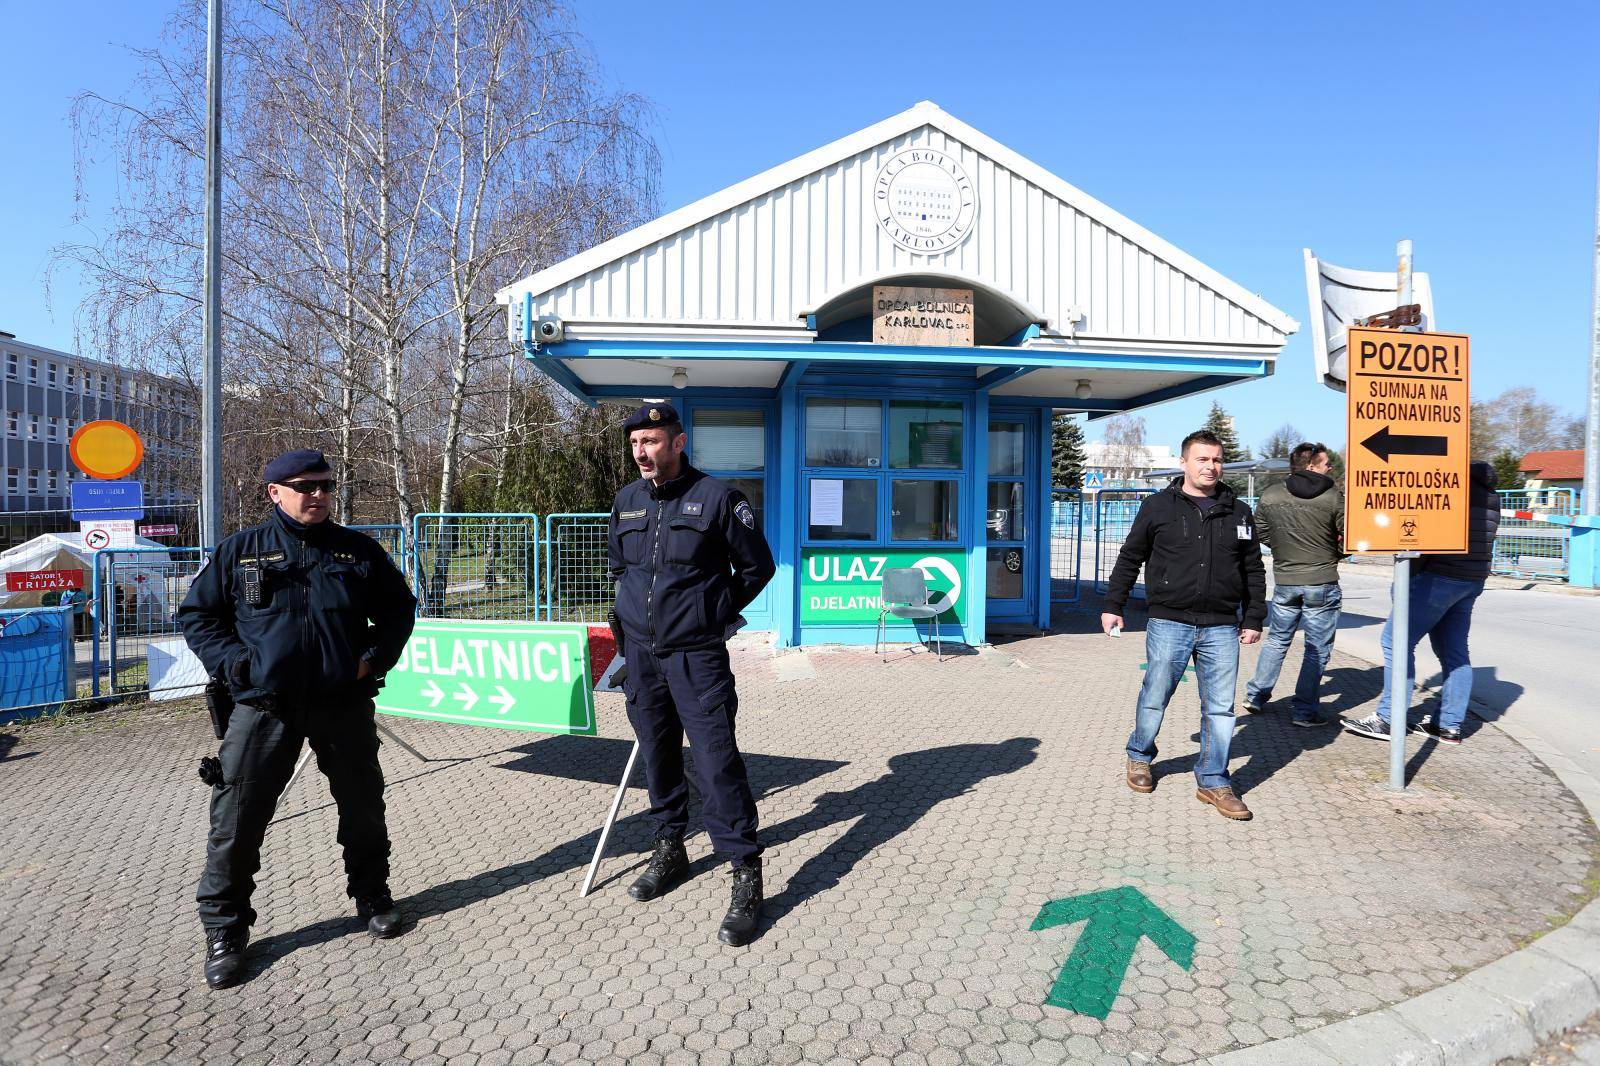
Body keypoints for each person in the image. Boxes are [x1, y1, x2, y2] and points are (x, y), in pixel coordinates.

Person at [178, 449, 418, 989]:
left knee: (362, 807)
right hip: (264, 708)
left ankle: (373, 895)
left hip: (343, 703)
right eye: (304, 485)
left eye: (324, 485)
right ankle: (226, 932)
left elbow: (400, 611)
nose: (316, 494)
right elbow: (197, 615)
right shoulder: (241, 552)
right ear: (274, 493)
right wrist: (235, 665)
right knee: (235, 820)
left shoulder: (357, 551)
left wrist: (372, 661)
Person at [607, 403, 775, 946]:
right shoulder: (627, 501)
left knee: (715, 763)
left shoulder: (720, 498)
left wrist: (715, 613)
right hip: (643, 658)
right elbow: (621, 572)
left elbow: (757, 567)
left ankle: (745, 873)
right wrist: (626, 642)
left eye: (652, 442)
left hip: (696, 657)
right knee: (657, 759)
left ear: (679, 443)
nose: (641, 453)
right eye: (636, 444)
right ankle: (670, 849)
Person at [1101, 430, 1266, 821]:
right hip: (1169, 621)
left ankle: (1213, 780)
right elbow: (1130, 557)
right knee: (1156, 693)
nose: (1210, 467)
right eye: (1202, 459)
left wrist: (1255, 614)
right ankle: (1139, 757)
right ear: (1184, 462)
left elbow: (1253, 569)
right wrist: (1113, 604)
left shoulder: (1238, 511)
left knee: (1222, 708)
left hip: (1222, 626)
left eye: (1217, 460)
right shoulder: (1158, 506)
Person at [1344, 460, 1500, 746]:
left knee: (1397, 642)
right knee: (1454, 653)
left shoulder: (1453, 493)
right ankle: (1448, 725)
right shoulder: (1493, 497)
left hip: (1438, 577)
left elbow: (1429, 540)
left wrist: (1408, 578)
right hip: (1472, 580)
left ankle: (1389, 719)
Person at [1242, 442, 1345, 725]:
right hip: (1321, 581)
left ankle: (1255, 695)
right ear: (1311, 466)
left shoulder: (1272, 494)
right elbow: (1349, 536)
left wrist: (1281, 548)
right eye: (1326, 464)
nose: (1330, 468)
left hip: (1285, 580)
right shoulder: (1334, 496)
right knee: (1316, 649)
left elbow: (1259, 531)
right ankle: (1304, 711)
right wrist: (1337, 553)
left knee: (1277, 640)